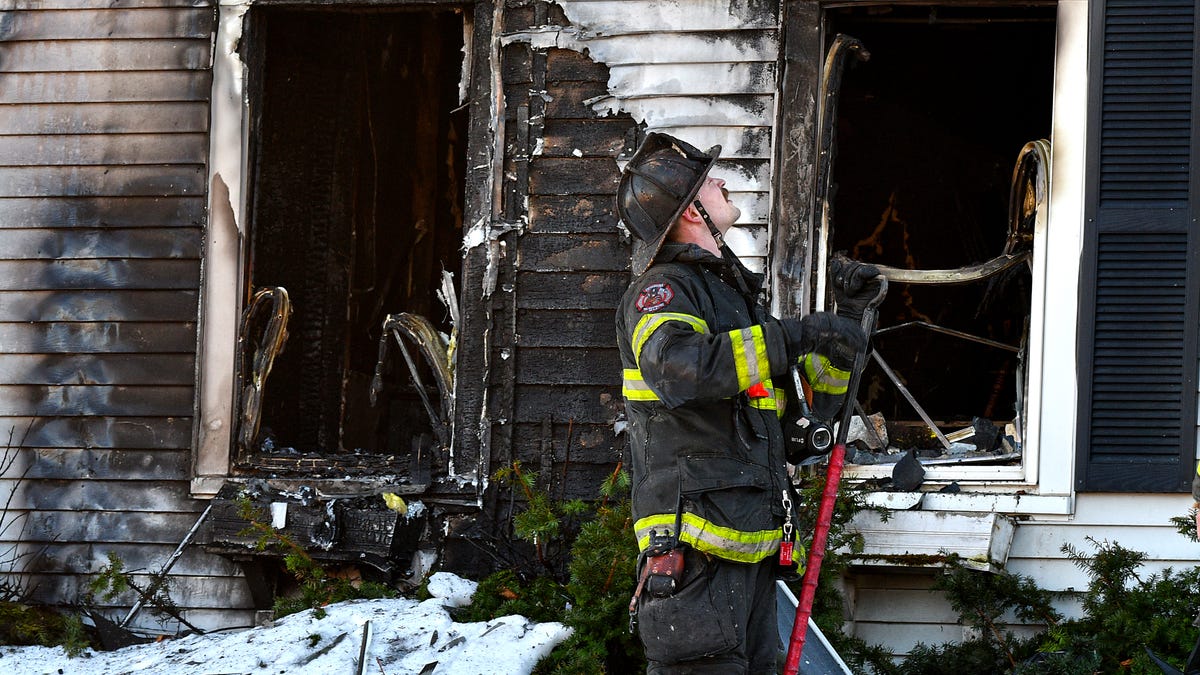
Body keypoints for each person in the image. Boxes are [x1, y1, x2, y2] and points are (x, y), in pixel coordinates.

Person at [615, 132, 870, 674]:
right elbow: (681, 370)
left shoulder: (729, 301)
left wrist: (847, 327)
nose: (723, 181)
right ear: (690, 212)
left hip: (749, 552)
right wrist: (794, 336)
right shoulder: (664, 290)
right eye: (709, 180)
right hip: (698, 557)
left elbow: (800, 426)